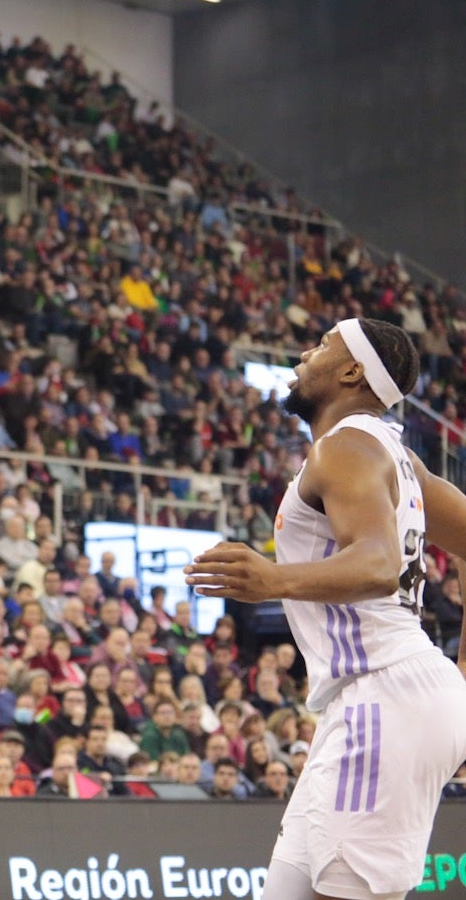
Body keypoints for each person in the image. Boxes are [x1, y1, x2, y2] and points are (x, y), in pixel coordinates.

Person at [186, 318, 466, 900]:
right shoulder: (400, 459)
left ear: (351, 371)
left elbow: (377, 565)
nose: (302, 354)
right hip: (379, 699)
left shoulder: (347, 448)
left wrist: (271, 579)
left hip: (383, 694)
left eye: (321, 346)